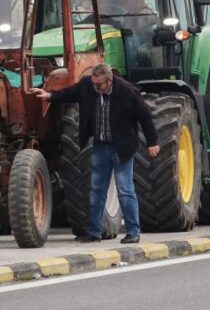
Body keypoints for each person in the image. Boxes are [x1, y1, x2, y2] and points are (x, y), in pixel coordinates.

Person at [31, 63, 159, 244]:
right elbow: (70, 93)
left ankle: (133, 231)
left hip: (122, 147)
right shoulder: (87, 86)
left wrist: (152, 142)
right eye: (93, 84)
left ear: (110, 80)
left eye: (99, 85)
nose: (95, 87)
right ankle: (93, 231)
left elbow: (145, 116)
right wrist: (50, 96)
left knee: (125, 189)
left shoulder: (127, 92)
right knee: (97, 190)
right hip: (101, 146)